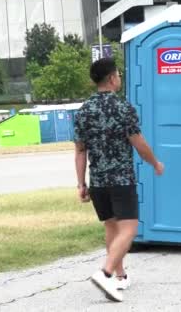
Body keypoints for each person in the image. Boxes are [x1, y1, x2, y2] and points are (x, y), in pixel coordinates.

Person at [74, 58, 164, 302]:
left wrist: (81, 183)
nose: (120, 79)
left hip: (98, 181)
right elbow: (139, 143)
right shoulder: (123, 108)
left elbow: (80, 151)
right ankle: (105, 273)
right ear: (112, 78)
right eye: (119, 75)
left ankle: (120, 276)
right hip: (121, 179)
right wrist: (155, 163)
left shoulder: (83, 111)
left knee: (111, 227)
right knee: (130, 229)